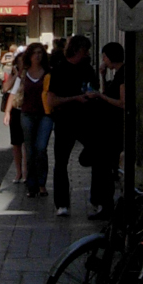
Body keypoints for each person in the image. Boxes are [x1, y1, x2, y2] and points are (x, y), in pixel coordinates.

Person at [44, 34, 100, 216]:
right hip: (65, 120)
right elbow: (52, 100)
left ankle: (97, 199)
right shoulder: (60, 70)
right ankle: (62, 204)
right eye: (85, 50)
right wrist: (75, 98)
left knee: (97, 155)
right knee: (61, 162)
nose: (87, 54)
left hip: (87, 119)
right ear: (77, 50)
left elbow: (96, 89)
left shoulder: (88, 69)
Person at [87, 41, 126, 218]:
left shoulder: (123, 75)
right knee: (102, 166)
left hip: (115, 127)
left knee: (105, 167)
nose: (103, 60)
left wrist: (100, 96)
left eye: (104, 57)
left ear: (110, 57)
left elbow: (122, 103)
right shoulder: (117, 74)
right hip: (108, 126)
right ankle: (102, 202)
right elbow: (108, 93)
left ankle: (105, 204)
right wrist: (102, 77)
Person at [12, 42, 52, 196]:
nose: (38, 56)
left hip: (45, 115)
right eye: (35, 53)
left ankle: (42, 183)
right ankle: (32, 185)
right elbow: (11, 90)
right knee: (29, 150)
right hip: (27, 114)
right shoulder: (24, 73)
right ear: (29, 56)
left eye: (40, 53)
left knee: (41, 148)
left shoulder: (48, 73)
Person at [1, 48, 26, 182]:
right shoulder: (16, 76)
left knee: (26, 144)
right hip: (17, 110)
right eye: (19, 63)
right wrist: (7, 112)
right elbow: (7, 90)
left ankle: (26, 171)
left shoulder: (31, 74)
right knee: (16, 143)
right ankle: (19, 172)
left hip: (28, 110)